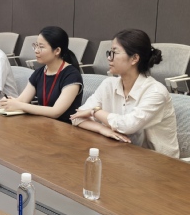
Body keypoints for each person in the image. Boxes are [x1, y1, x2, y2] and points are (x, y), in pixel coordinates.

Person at [71, 29, 179, 157]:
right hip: (122, 153)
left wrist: (94, 111)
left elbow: (128, 125)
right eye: (109, 52)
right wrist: (102, 129)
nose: (109, 58)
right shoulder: (108, 84)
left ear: (134, 58)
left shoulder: (156, 92)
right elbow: (77, 117)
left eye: (114, 52)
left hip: (158, 161)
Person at [0, 26, 83, 122]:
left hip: (65, 127)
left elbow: (56, 112)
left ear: (57, 51)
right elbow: (22, 100)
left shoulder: (72, 75)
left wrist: (19, 105)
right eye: (36, 45)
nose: (36, 50)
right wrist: (10, 102)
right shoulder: (39, 72)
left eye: (41, 47)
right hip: (43, 124)